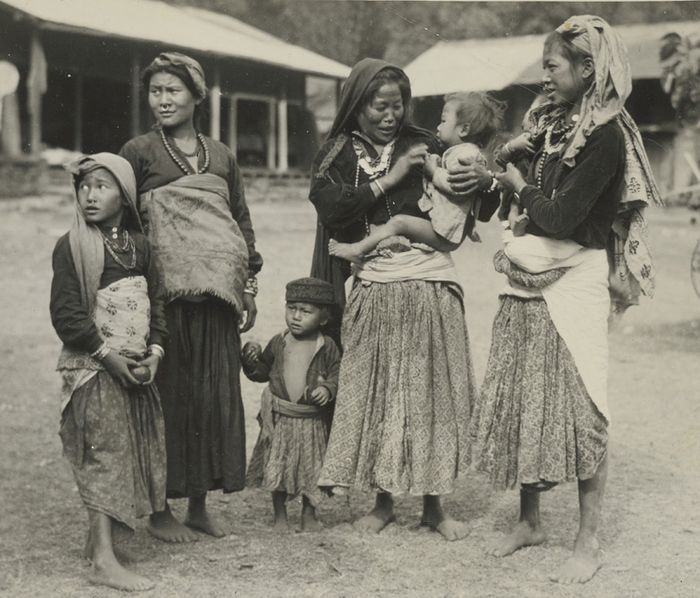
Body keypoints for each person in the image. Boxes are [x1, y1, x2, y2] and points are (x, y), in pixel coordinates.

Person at [467, 15, 660, 584]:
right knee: (527, 396)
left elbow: (557, 216)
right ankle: (530, 521)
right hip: (527, 275)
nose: (544, 77)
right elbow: (532, 203)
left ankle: (588, 539)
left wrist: (513, 183)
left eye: (552, 66)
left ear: (587, 69)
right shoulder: (548, 125)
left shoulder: (606, 135)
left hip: (574, 280)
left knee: (584, 408)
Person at [309, 58, 500, 540]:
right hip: (376, 281)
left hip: (430, 282)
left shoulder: (428, 143)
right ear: (356, 106)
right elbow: (332, 208)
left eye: (398, 106)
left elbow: (485, 202)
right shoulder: (338, 153)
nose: (390, 116)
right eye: (379, 107)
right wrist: (390, 179)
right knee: (380, 394)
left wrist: (486, 181)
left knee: (430, 393)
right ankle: (383, 500)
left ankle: (435, 504)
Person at [119, 52, 263, 543]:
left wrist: (248, 285)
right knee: (167, 400)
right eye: (156, 91)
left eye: (173, 90)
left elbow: (239, 222)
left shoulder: (220, 155)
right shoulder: (138, 151)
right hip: (166, 301)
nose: (163, 99)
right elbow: (126, 223)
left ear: (196, 96)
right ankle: (159, 511)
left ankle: (198, 504)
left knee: (210, 399)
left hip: (219, 299)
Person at [50, 153, 167, 591]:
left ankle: (100, 542)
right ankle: (102, 560)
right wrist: (108, 356)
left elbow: (158, 304)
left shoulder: (141, 246)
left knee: (126, 451)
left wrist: (154, 353)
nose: (89, 194)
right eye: (83, 186)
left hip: (135, 366)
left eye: (101, 185)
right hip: (93, 369)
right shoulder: (73, 245)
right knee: (105, 454)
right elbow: (67, 316)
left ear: (125, 193)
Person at [328, 91, 504, 262]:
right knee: (395, 226)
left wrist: (433, 171)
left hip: (444, 232)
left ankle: (357, 250)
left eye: (443, 121)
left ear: (464, 129)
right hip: (444, 229)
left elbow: (454, 184)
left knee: (400, 223)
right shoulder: (456, 152)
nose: (438, 127)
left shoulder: (466, 155)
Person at [241, 277, 341, 533]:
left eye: (306, 311)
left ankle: (309, 515)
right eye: (291, 308)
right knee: (279, 468)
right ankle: (280, 516)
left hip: (311, 422)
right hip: (282, 420)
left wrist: (327, 389)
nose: (296, 316)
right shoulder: (279, 341)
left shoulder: (327, 346)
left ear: (323, 318)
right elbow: (262, 372)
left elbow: (337, 374)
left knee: (312, 470)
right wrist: (250, 360)